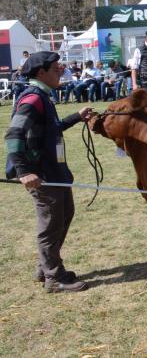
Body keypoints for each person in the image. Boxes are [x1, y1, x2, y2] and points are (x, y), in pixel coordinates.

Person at [4, 51, 94, 293]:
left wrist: (76, 116)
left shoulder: (44, 97)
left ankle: (46, 267)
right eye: (56, 67)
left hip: (56, 172)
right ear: (41, 72)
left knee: (63, 216)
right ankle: (54, 277)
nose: (61, 70)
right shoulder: (32, 99)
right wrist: (24, 171)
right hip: (42, 174)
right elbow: (14, 135)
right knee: (51, 224)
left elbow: (52, 128)